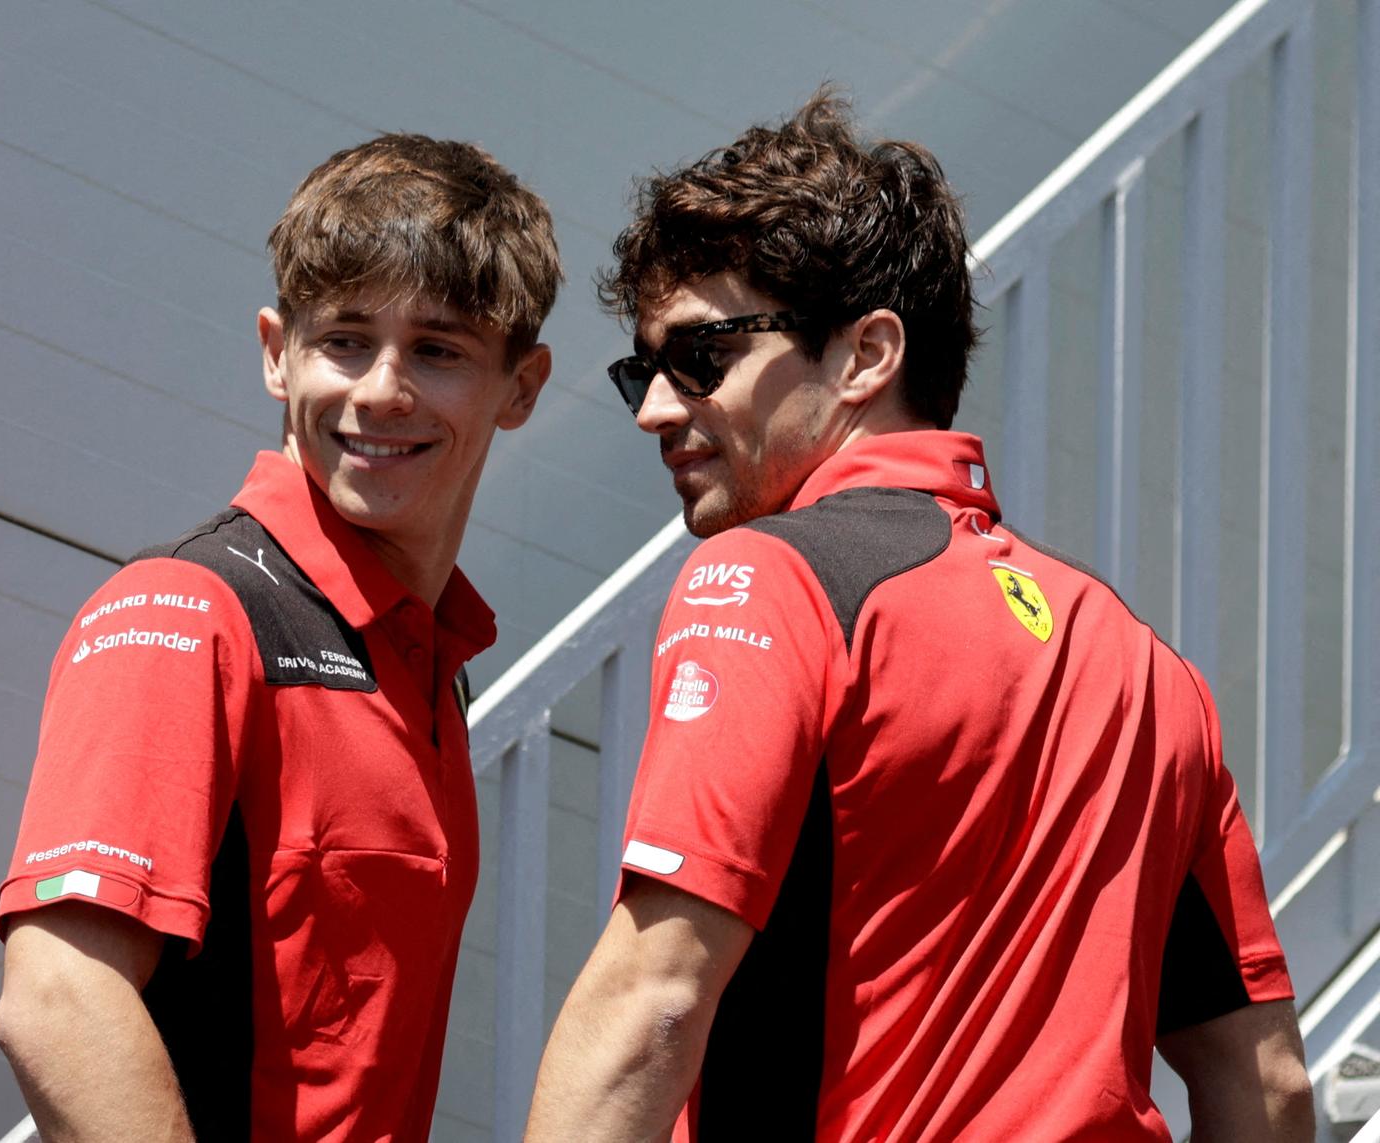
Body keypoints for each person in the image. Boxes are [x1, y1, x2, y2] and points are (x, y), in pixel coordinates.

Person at [525, 90, 1312, 1141]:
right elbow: (1265, 1085)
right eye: (642, 369)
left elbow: (652, 1002)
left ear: (865, 355)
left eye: (699, 357)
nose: (657, 407)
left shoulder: (771, 578)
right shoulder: (1150, 668)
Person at [0, 133, 560, 1141]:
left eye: (438, 349)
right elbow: (58, 1000)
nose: (382, 389)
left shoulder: (428, 663)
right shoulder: (187, 609)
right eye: (344, 337)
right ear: (274, 352)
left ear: (520, 388)